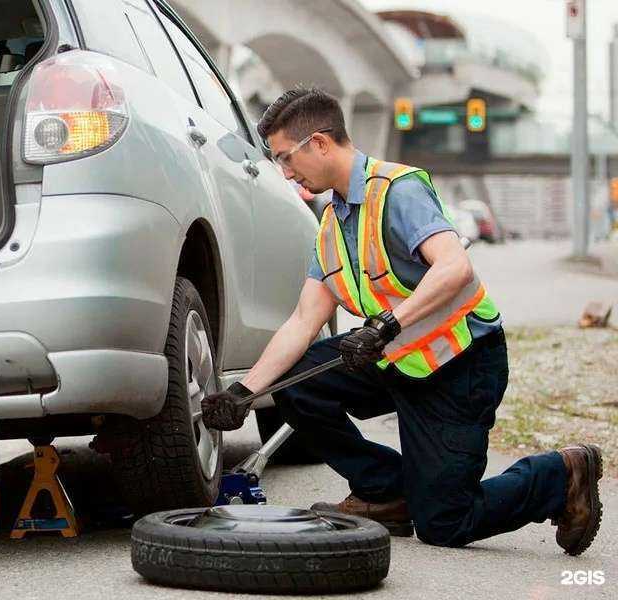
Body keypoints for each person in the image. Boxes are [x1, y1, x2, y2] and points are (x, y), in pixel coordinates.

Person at [202, 88, 602, 554]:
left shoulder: (399, 190)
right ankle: (385, 489)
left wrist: (387, 324)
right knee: (292, 382)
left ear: (320, 143)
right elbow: (303, 320)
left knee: (446, 522)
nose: (285, 171)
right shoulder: (332, 223)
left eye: (286, 157)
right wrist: (246, 393)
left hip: (459, 366)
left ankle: (562, 474)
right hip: (396, 358)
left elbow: (455, 266)